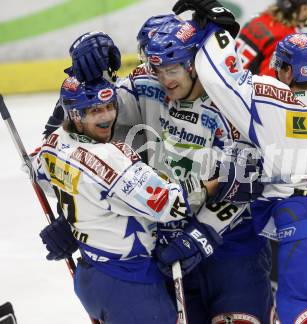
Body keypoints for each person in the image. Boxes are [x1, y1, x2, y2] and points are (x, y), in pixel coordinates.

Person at [171, 1, 307, 323]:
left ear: (287, 70)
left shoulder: (271, 104)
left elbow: (219, 79)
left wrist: (216, 29)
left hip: (306, 244)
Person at [42, 16, 274, 324]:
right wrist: (81, 219)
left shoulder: (233, 103)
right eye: (158, 70)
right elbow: (74, 132)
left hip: (232, 251)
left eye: (172, 70)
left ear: (194, 63)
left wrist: (202, 233)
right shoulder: (147, 86)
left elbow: (247, 180)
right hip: (167, 249)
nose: (165, 80)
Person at [36, 77, 223, 324]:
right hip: (129, 283)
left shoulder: (54, 142)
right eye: (95, 111)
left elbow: (43, 178)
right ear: (75, 115)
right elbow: (168, 203)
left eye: (110, 106)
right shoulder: (109, 157)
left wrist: (80, 219)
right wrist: (217, 183)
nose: (107, 117)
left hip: (93, 273)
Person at [236, 0, 307, 77]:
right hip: (241, 90)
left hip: (229, 77)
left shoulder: (259, 18)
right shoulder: (287, 40)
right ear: (301, 9)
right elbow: (267, 82)